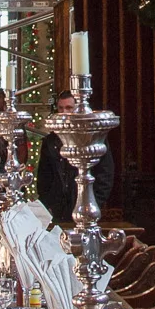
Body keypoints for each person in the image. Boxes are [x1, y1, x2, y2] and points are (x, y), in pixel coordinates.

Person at [35, 91, 117, 222]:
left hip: (86, 204)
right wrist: (48, 203)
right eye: (61, 108)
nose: (64, 113)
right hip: (58, 208)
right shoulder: (50, 141)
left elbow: (105, 174)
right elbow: (44, 177)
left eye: (69, 108)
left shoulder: (93, 138)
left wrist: (95, 200)